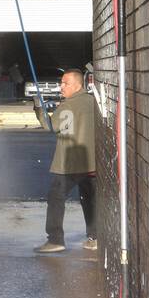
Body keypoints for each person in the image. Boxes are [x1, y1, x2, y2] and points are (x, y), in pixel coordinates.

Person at [35, 67, 96, 255]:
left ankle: (55, 240)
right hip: (92, 163)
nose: (61, 87)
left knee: (56, 198)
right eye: (61, 83)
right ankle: (95, 237)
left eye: (66, 83)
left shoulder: (69, 105)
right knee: (89, 199)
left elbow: (50, 125)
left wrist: (39, 107)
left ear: (78, 85)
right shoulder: (92, 101)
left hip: (68, 163)